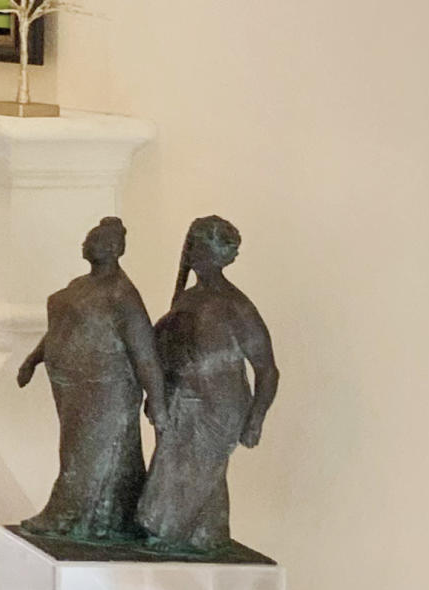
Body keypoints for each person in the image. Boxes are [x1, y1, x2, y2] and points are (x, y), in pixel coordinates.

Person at [136, 216, 279, 555]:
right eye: (192, 247)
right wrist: (159, 392)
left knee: (187, 476)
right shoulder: (187, 298)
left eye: (199, 248)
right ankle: (209, 535)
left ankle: (170, 535)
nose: (191, 254)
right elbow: (170, 349)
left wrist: (256, 419)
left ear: (218, 255)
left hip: (219, 407)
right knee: (196, 476)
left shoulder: (236, 306)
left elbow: (268, 370)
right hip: (183, 401)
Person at [14, 217, 162, 545]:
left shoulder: (123, 295)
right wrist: (33, 360)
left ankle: (63, 515)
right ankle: (113, 519)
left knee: (86, 454)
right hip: (72, 386)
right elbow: (60, 330)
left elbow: (144, 352)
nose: (85, 244)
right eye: (87, 239)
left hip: (106, 389)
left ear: (113, 249)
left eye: (92, 239)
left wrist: (157, 399)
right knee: (97, 453)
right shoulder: (80, 284)